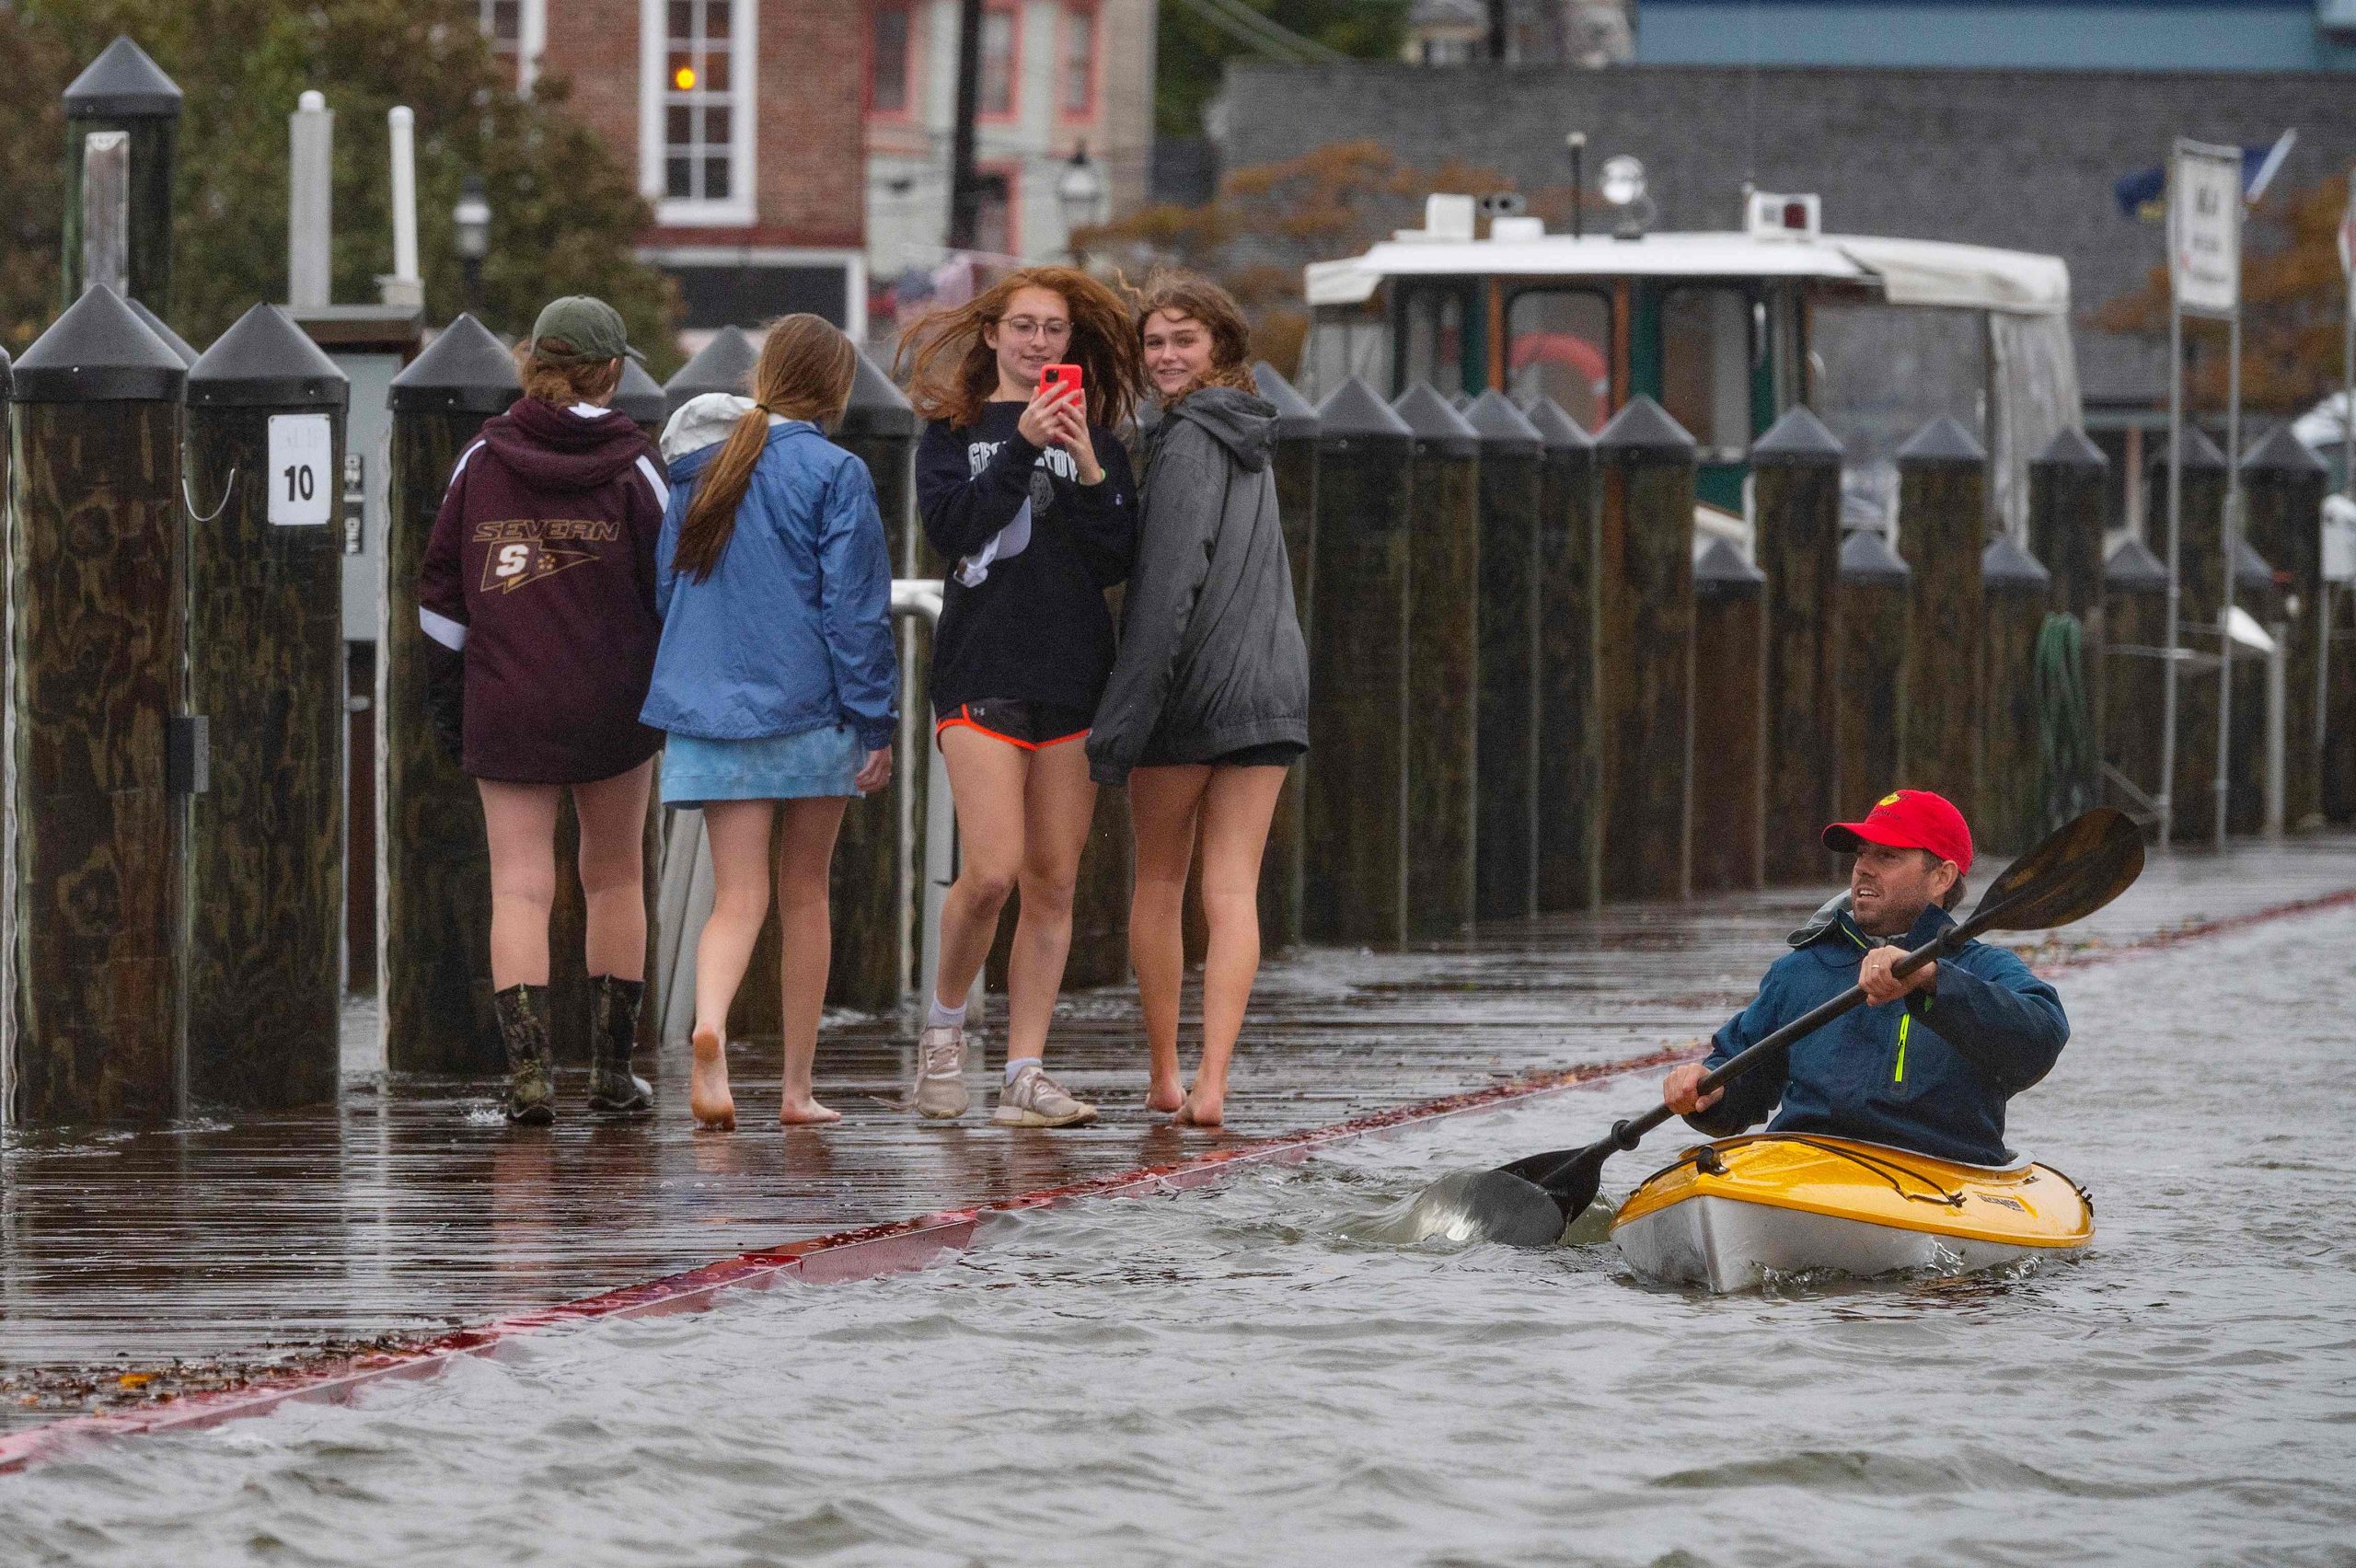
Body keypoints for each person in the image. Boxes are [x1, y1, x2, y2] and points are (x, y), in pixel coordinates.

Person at [900, 266, 1142, 1126]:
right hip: (980, 671)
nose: (1038, 342)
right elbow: (955, 531)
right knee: (992, 872)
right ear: (993, 334)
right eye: (1024, 326)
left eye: (1054, 330)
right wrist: (1020, 444)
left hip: (1074, 674)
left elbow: (1117, 556)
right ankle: (943, 1029)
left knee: (1052, 880)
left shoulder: (1100, 441)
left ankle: (1025, 1074)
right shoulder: (949, 431)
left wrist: (1080, 461)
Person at [643, 316, 898, 1132]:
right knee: (805, 892)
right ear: (834, 388)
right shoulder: (835, 471)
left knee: (737, 895)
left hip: (712, 711)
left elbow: (666, 590)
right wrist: (876, 721)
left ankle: (710, 1019)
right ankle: (795, 1089)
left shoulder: (699, 469)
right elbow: (853, 610)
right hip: (809, 708)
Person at [418, 295, 666, 1124]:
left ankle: (527, 1077)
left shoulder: (482, 463)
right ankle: (610, 1071)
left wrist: (450, 696)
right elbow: (669, 591)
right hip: (614, 705)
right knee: (615, 875)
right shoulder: (636, 470)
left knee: (520, 888)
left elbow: (441, 597)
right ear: (614, 370)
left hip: (507, 699)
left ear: (534, 362)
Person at [1086, 273, 1309, 1128]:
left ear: (1220, 347)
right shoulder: (1254, 432)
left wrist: (1123, 720)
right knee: (1233, 891)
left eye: (1183, 340)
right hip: (1271, 687)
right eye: (1155, 343)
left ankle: (1168, 1077)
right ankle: (1217, 1080)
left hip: (1189, 694)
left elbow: (1167, 586)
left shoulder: (1182, 440)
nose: (1166, 356)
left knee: (1163, 880)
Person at [1661, 789, 2070, 1166]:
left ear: (1941, 877)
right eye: (1861, 854)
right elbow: (1741, 1085)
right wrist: (1709, 1091)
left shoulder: (1983, 969)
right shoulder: (1800, 970)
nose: (1863, 870)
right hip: (1806, 1167)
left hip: (1940, 1174)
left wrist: (1931, 979)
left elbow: (2042, 1038)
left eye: (1888, 856)